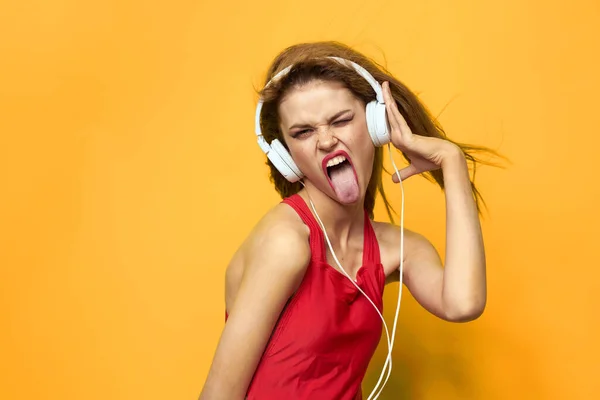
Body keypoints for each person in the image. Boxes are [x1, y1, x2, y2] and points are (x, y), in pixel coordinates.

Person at [199, 41, 499, 400]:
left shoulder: (394, 248)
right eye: (303, 132)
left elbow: (463, 304)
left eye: (341, 120)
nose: (326, 141)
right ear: (286, 155)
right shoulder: (286, 243)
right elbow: (219, 394)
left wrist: (451, 160)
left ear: (377, 126)